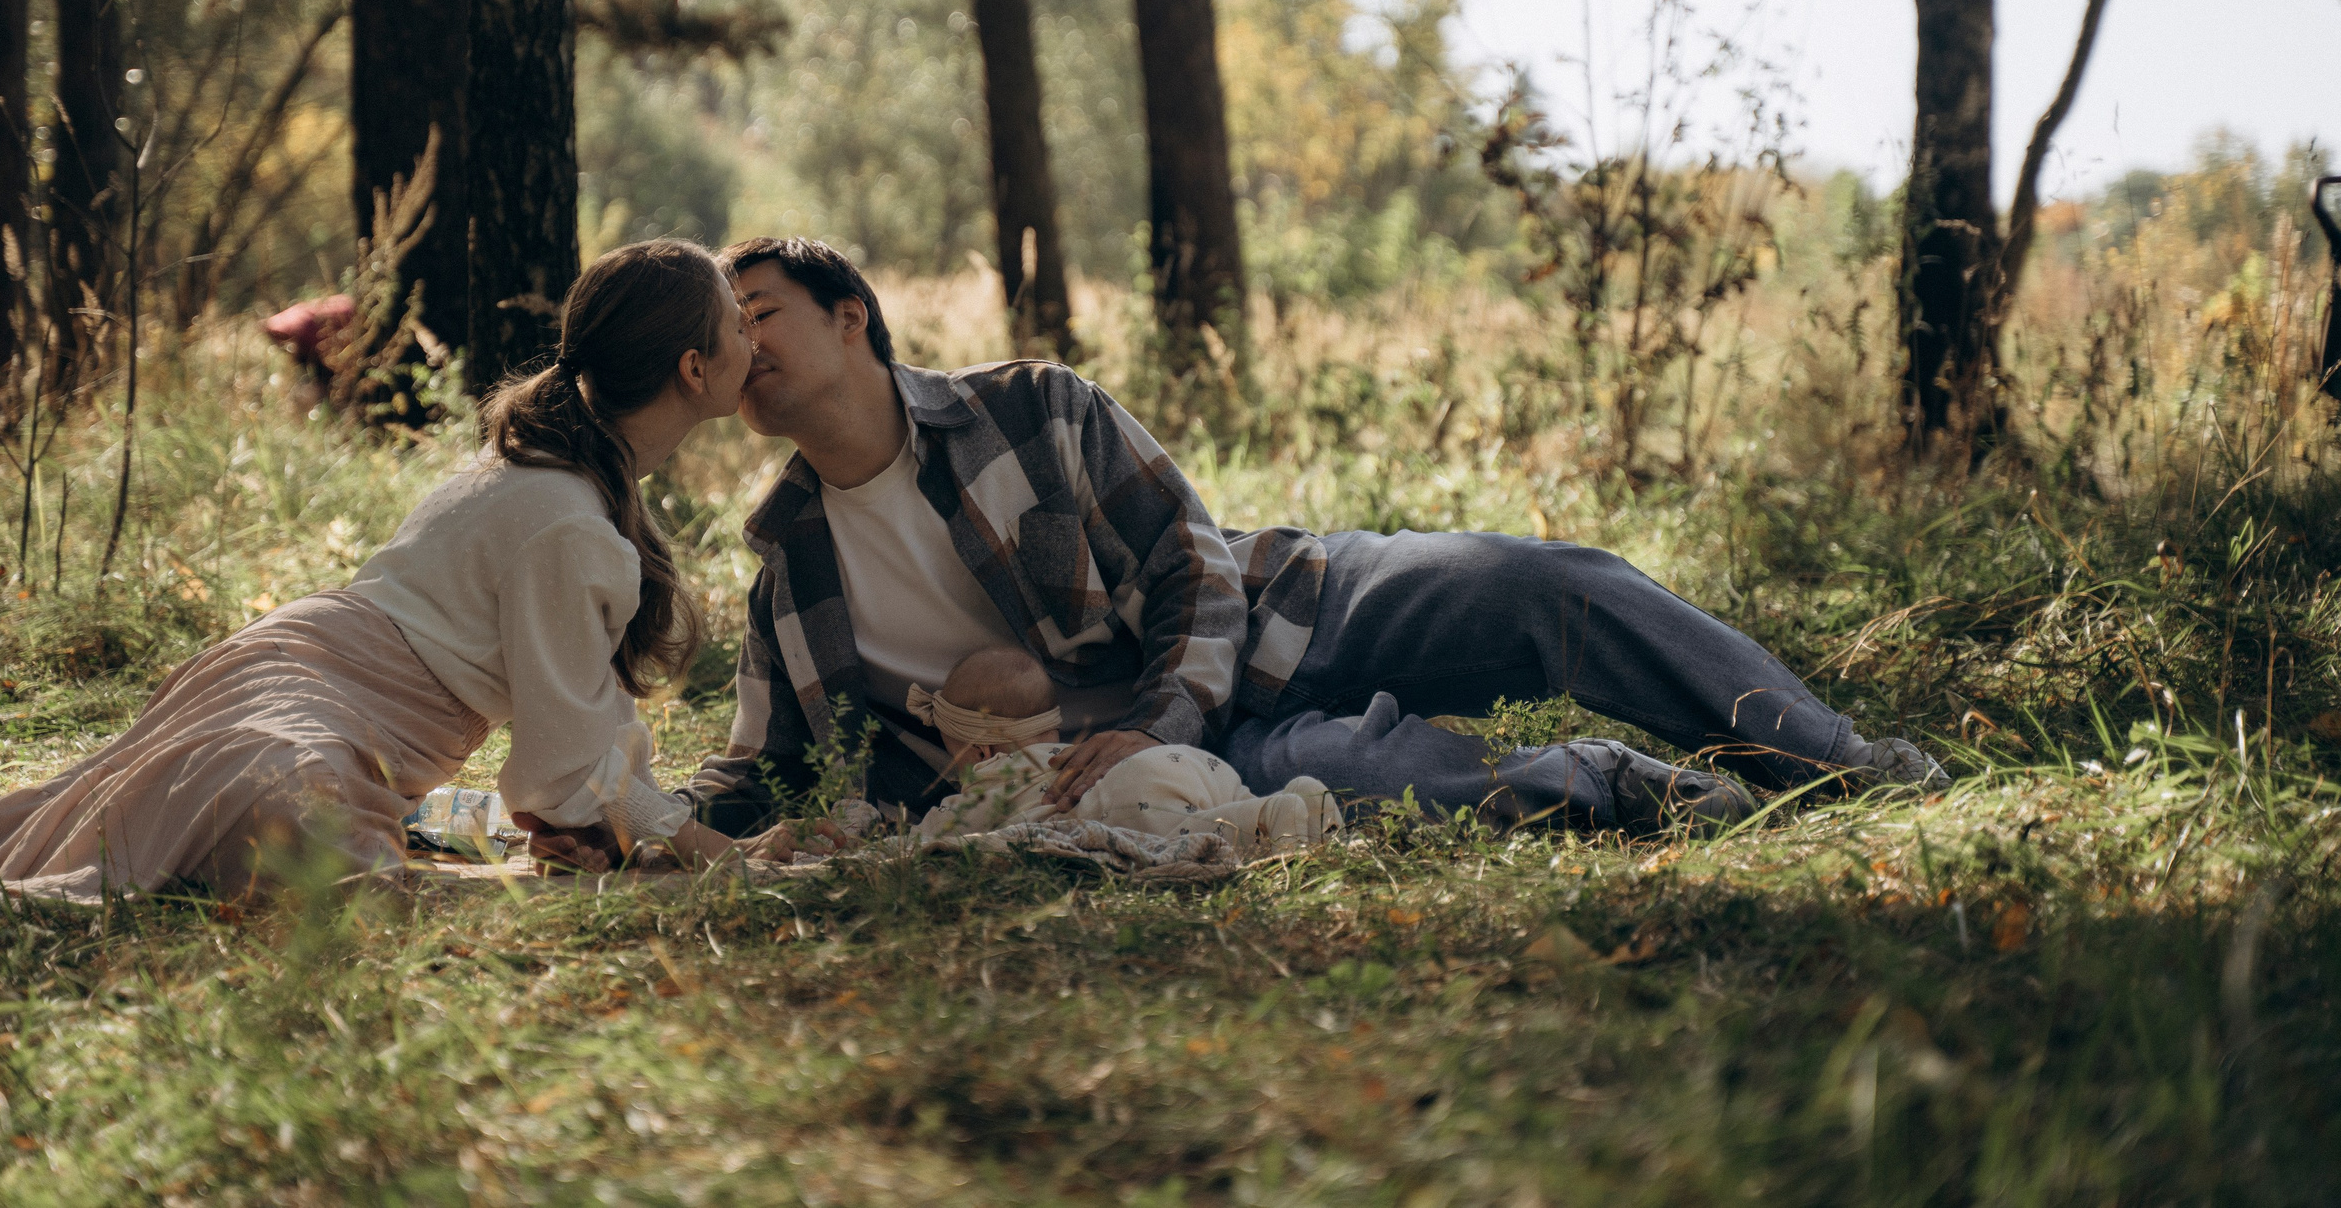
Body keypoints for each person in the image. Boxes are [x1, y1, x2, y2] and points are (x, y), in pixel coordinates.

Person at [676, 237, 1944, 840]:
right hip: (1163, 774)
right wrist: (615, 825)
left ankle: (1842, 761)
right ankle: (1634, 785)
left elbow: (1190, 563)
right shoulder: (791, 569)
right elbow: (752, 765)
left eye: (763, 309)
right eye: (725, 331)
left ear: (852, 318)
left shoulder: (1026, 409)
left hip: (1284, 607)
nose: (744, 344)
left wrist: (1164, 709)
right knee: (1379, 783)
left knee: (1547, 583)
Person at [0, 240, 777, 905]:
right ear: (695, 368)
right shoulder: (567, 519)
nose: (757, 340)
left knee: (188, 817)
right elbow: (573, 774)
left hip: (283, 668)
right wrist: (717, 852)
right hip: (306, 708)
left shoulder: (555, 474)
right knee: (327, 863)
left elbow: (581, 758)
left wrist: (637, 826)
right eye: (742, 323)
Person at [908, 645, 1343, 855]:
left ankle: (1274, 818)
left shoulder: (991, 782)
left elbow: (932, 841)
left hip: (1136, 789)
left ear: (982, 753)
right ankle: (1303, 800)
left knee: (1191, 832)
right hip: (1184, 760)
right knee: (1229, 800)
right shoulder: (1066, 751)